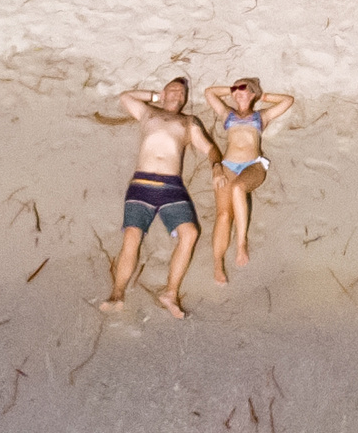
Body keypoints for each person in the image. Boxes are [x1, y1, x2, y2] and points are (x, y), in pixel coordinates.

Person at [100, 77, 203, 319]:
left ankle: (170, 293)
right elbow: (125, 96)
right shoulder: (148, 113)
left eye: (182, 93)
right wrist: (156, 97)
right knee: (132, 236)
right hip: (141, 185)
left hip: (172, 187)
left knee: (190, 234)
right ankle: (117, 294)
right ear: (163, 92)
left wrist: (218, 165)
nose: (178, 95)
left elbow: (207, 147)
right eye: (173, 90)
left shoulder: (188, 121)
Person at [202, 76, 294, 285]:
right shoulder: (228, 114)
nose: (236, 92)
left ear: (253, 94)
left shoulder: (260, 116)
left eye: (243, 88)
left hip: (253, 164)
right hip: (228, 165)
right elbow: (209, 92)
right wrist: (234, 89)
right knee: (224, 216)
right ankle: (218, 263)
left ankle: (241, 243)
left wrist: (263, 95)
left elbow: (287, 101)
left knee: (238, 189)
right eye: (235, 89)